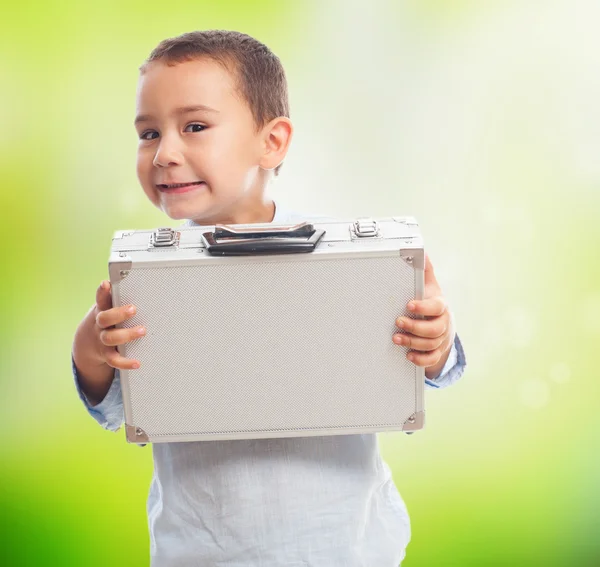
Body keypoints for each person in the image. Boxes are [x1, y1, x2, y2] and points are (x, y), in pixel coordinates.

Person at [71, 30, 467, 566]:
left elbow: (435, 369)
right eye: (148, 133)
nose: (164, 153)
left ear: (272, 142)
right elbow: (114, 406)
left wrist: (436, 340)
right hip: (200, 552)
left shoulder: (348, 263)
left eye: (194, 126)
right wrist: (93, 345)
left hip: (346, 548)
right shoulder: (145, 280)